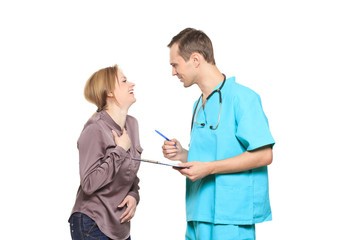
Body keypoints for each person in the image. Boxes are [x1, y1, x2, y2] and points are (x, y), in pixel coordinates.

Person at [162, 28, 275, 240]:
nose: (173, 72)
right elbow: (211, 154)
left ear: (195, 59)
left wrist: (209, 168)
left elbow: (264, 155)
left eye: (175, 65)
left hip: (230, 216)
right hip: (198, 212)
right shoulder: (199, 104)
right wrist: (182, 154)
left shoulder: (242, 98)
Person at [69, 65, 142, 240]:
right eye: (124, 81)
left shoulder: (132, 125)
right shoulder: (95, 129)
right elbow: (88, 184)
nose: (132, 83)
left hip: (120, 227)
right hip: (92, 223)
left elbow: (130, 171)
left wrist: (133, 194)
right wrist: (119, 151)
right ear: (109, 92)